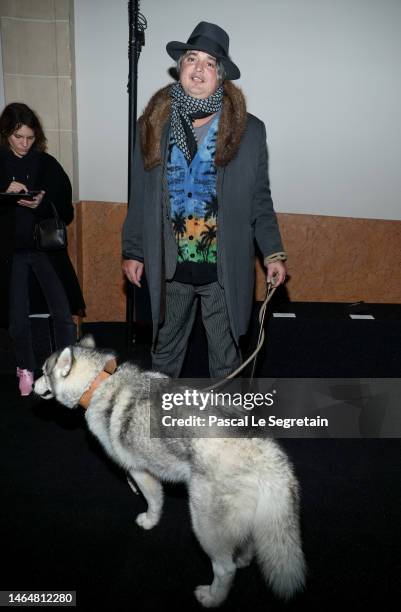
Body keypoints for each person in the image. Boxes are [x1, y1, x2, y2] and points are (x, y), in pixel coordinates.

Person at [122, 22, 286, 378]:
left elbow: (260, 198)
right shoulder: (150, 125)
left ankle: (222, 431)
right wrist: (134, 250)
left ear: (220, 75)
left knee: (226, 360)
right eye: (191, 59)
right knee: (164, 355)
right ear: (180, 68)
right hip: (170, 266)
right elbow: (139, 195)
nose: (198, 68)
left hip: (223, 269)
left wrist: (272, 252)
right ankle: (157, 429)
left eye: (209, 63)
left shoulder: (249, 131)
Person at [0, 102, 85, 396]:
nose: (24, 144)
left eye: (30, 138)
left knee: (62, 311)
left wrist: (41, 205)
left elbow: (65, 208)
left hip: (45, 249)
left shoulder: (46, 164)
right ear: (5, 134)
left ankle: (66, 369)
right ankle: (25, 368)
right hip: (11, 253)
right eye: (18, 137)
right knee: (17, 317)